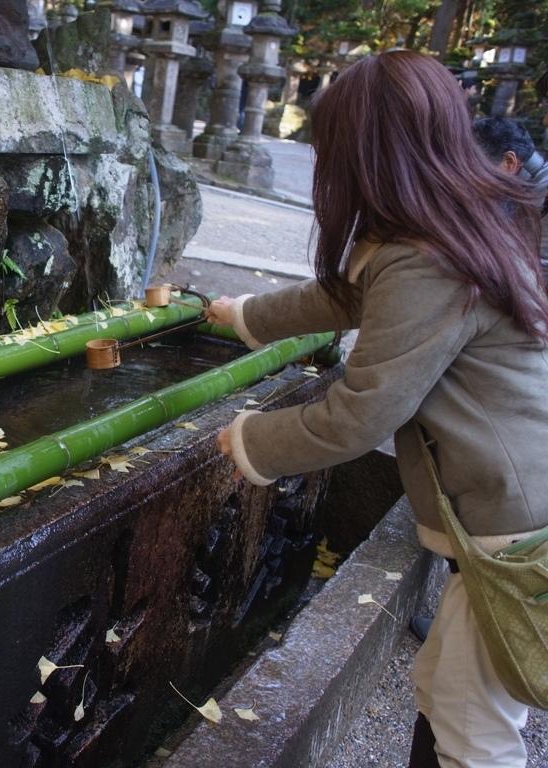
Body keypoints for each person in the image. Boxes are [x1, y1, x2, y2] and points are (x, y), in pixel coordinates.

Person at [205, 50, 548, 768]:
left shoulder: (428, 259)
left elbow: (360, 415)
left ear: (367, 156)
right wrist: (245, 314)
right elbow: (346, 295)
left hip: (516, 531)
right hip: (522, 509)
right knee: (452, 687)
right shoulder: (461, 222)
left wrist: (251, 442)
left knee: (472, 726)